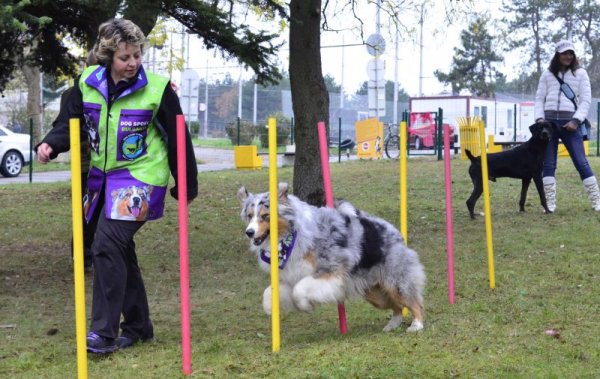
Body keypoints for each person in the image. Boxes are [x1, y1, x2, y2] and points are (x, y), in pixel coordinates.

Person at [36, 18, 198, 354]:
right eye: (126, 57)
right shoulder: (86, 83)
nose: (133, 63)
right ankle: (138, 326)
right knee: (119, 249)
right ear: (109, 57)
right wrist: (51, 143)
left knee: (106, 244)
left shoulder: (157, 88)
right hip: (102, 180)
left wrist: (186, 183)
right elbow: (69, 121)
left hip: (141, 177)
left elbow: (179, 138)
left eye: (137, 55)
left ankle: (103, 334)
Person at [534, 39, 600, 213]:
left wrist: (576, 120)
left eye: (571, 53)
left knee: (581, 162)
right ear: (558, 55)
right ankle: (549, 204)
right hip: (548, 124)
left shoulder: (581, 74)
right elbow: (539, 98)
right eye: (564, 53)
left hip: (571, 123)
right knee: (548, 164)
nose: (568, 56)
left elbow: (585, 100)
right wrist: (540, 119)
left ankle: (597, 201)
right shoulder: (547, 74)